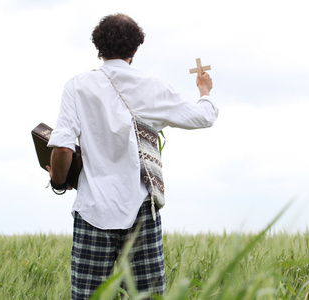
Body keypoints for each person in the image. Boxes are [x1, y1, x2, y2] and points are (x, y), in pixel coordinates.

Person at [46, 13, 218, 299]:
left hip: (92, 212)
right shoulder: (152, 87)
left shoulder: (76, 86)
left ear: (98, 47)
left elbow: (63, 148)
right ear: (135, 49)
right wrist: (204, 91)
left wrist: (58, 182)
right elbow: (204, 117)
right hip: (140, 211)